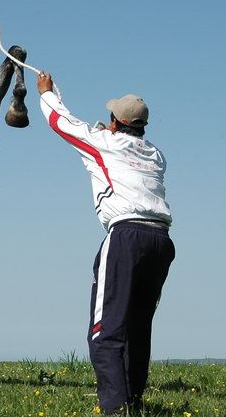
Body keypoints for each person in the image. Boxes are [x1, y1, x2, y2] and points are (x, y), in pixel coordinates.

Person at [36, 73, 175, 415]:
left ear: (115, 122)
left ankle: (114, 408)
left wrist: (48, 93)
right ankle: (132, 400)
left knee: (105, 332)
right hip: (161, 241)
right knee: (139, 325)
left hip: (126, 236)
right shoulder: (156, 155)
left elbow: (62, 123)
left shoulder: (104, 142)